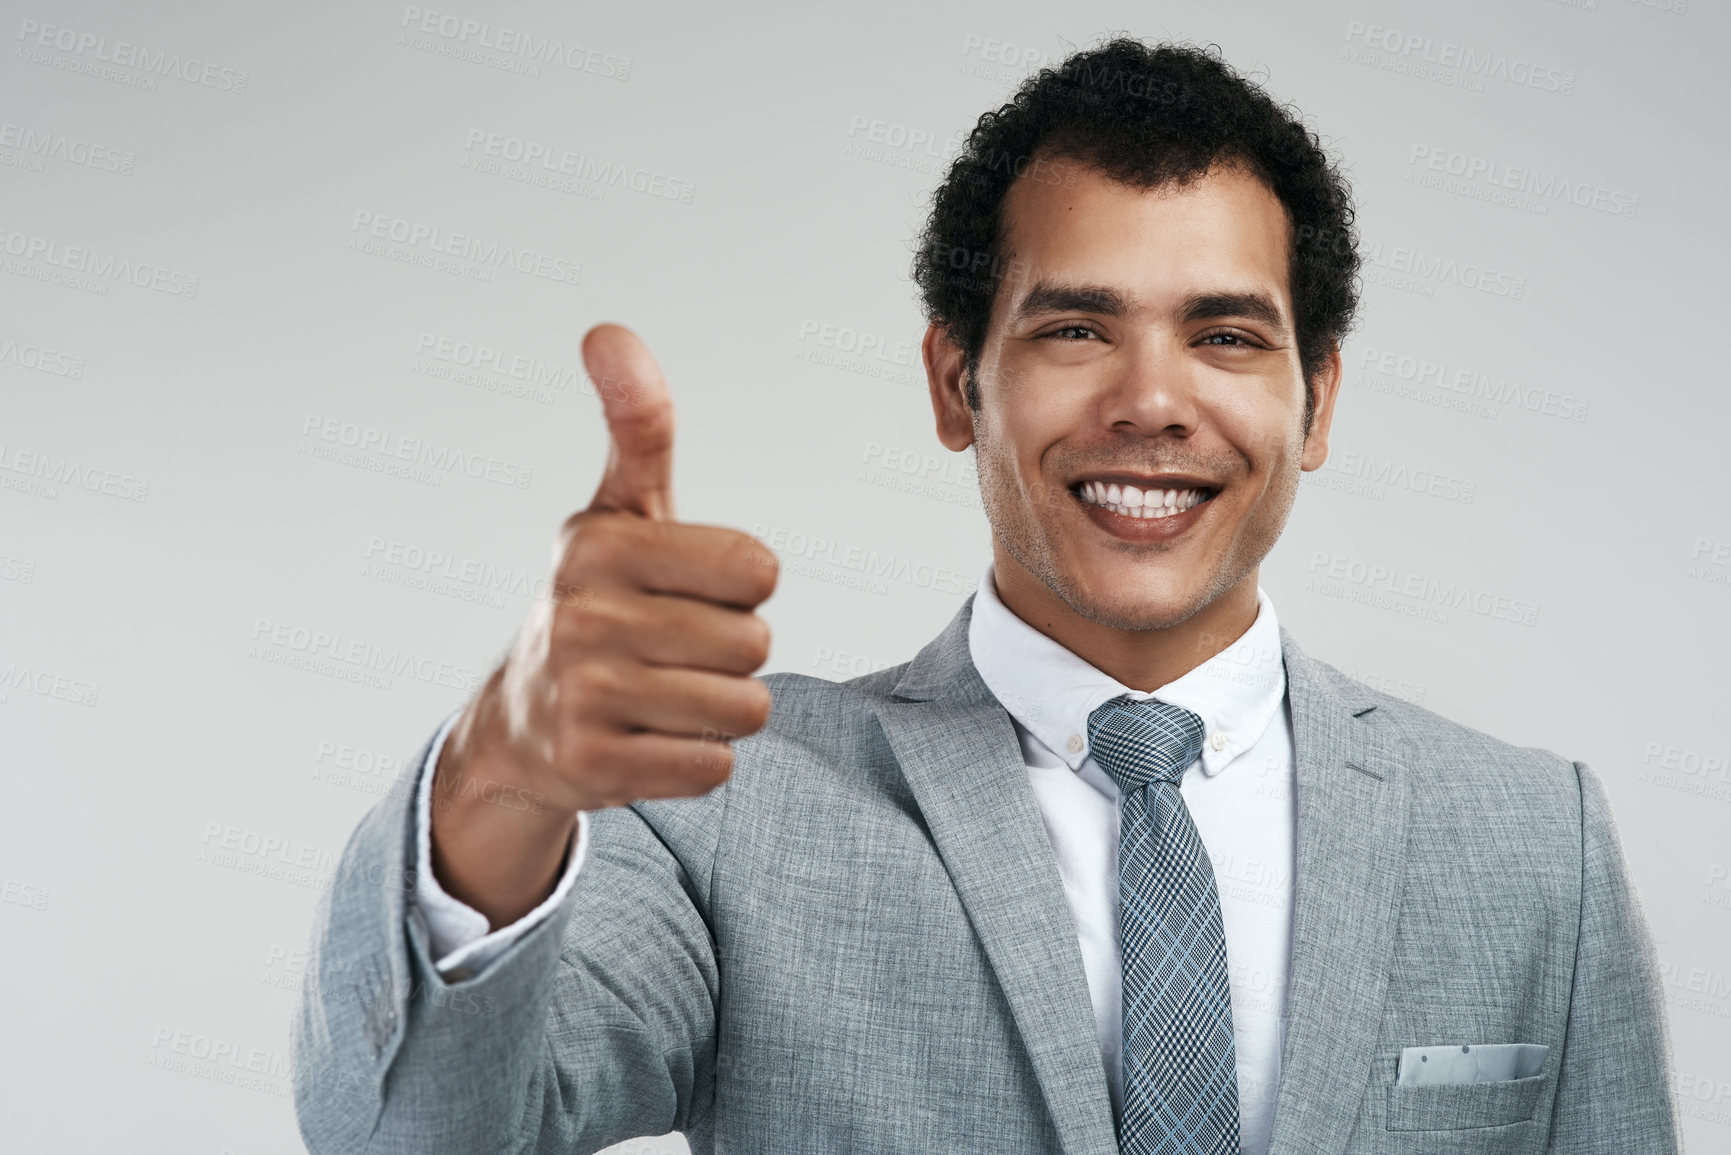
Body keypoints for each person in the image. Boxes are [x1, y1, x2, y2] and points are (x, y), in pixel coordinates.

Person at [291, 37, 1681, 1155]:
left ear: (1315, 399)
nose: (1151, 402)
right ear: (960, 385)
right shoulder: (724, 797)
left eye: (1227, 335)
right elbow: (417, 1134)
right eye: (1075, 328)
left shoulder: (1531, 841)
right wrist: (499, 783)